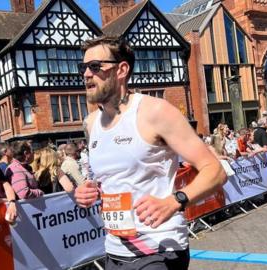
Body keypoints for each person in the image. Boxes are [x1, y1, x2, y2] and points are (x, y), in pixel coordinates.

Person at [74, 36, 226, 269]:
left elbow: (214, 170)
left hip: (158, 249)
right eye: (83, 67)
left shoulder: (154, 111)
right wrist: (88, 188)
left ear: (121, 69)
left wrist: (175, 201)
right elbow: (108, 178)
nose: (86, 74)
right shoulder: (91, 123)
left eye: (95, 67)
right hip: (115, 250)